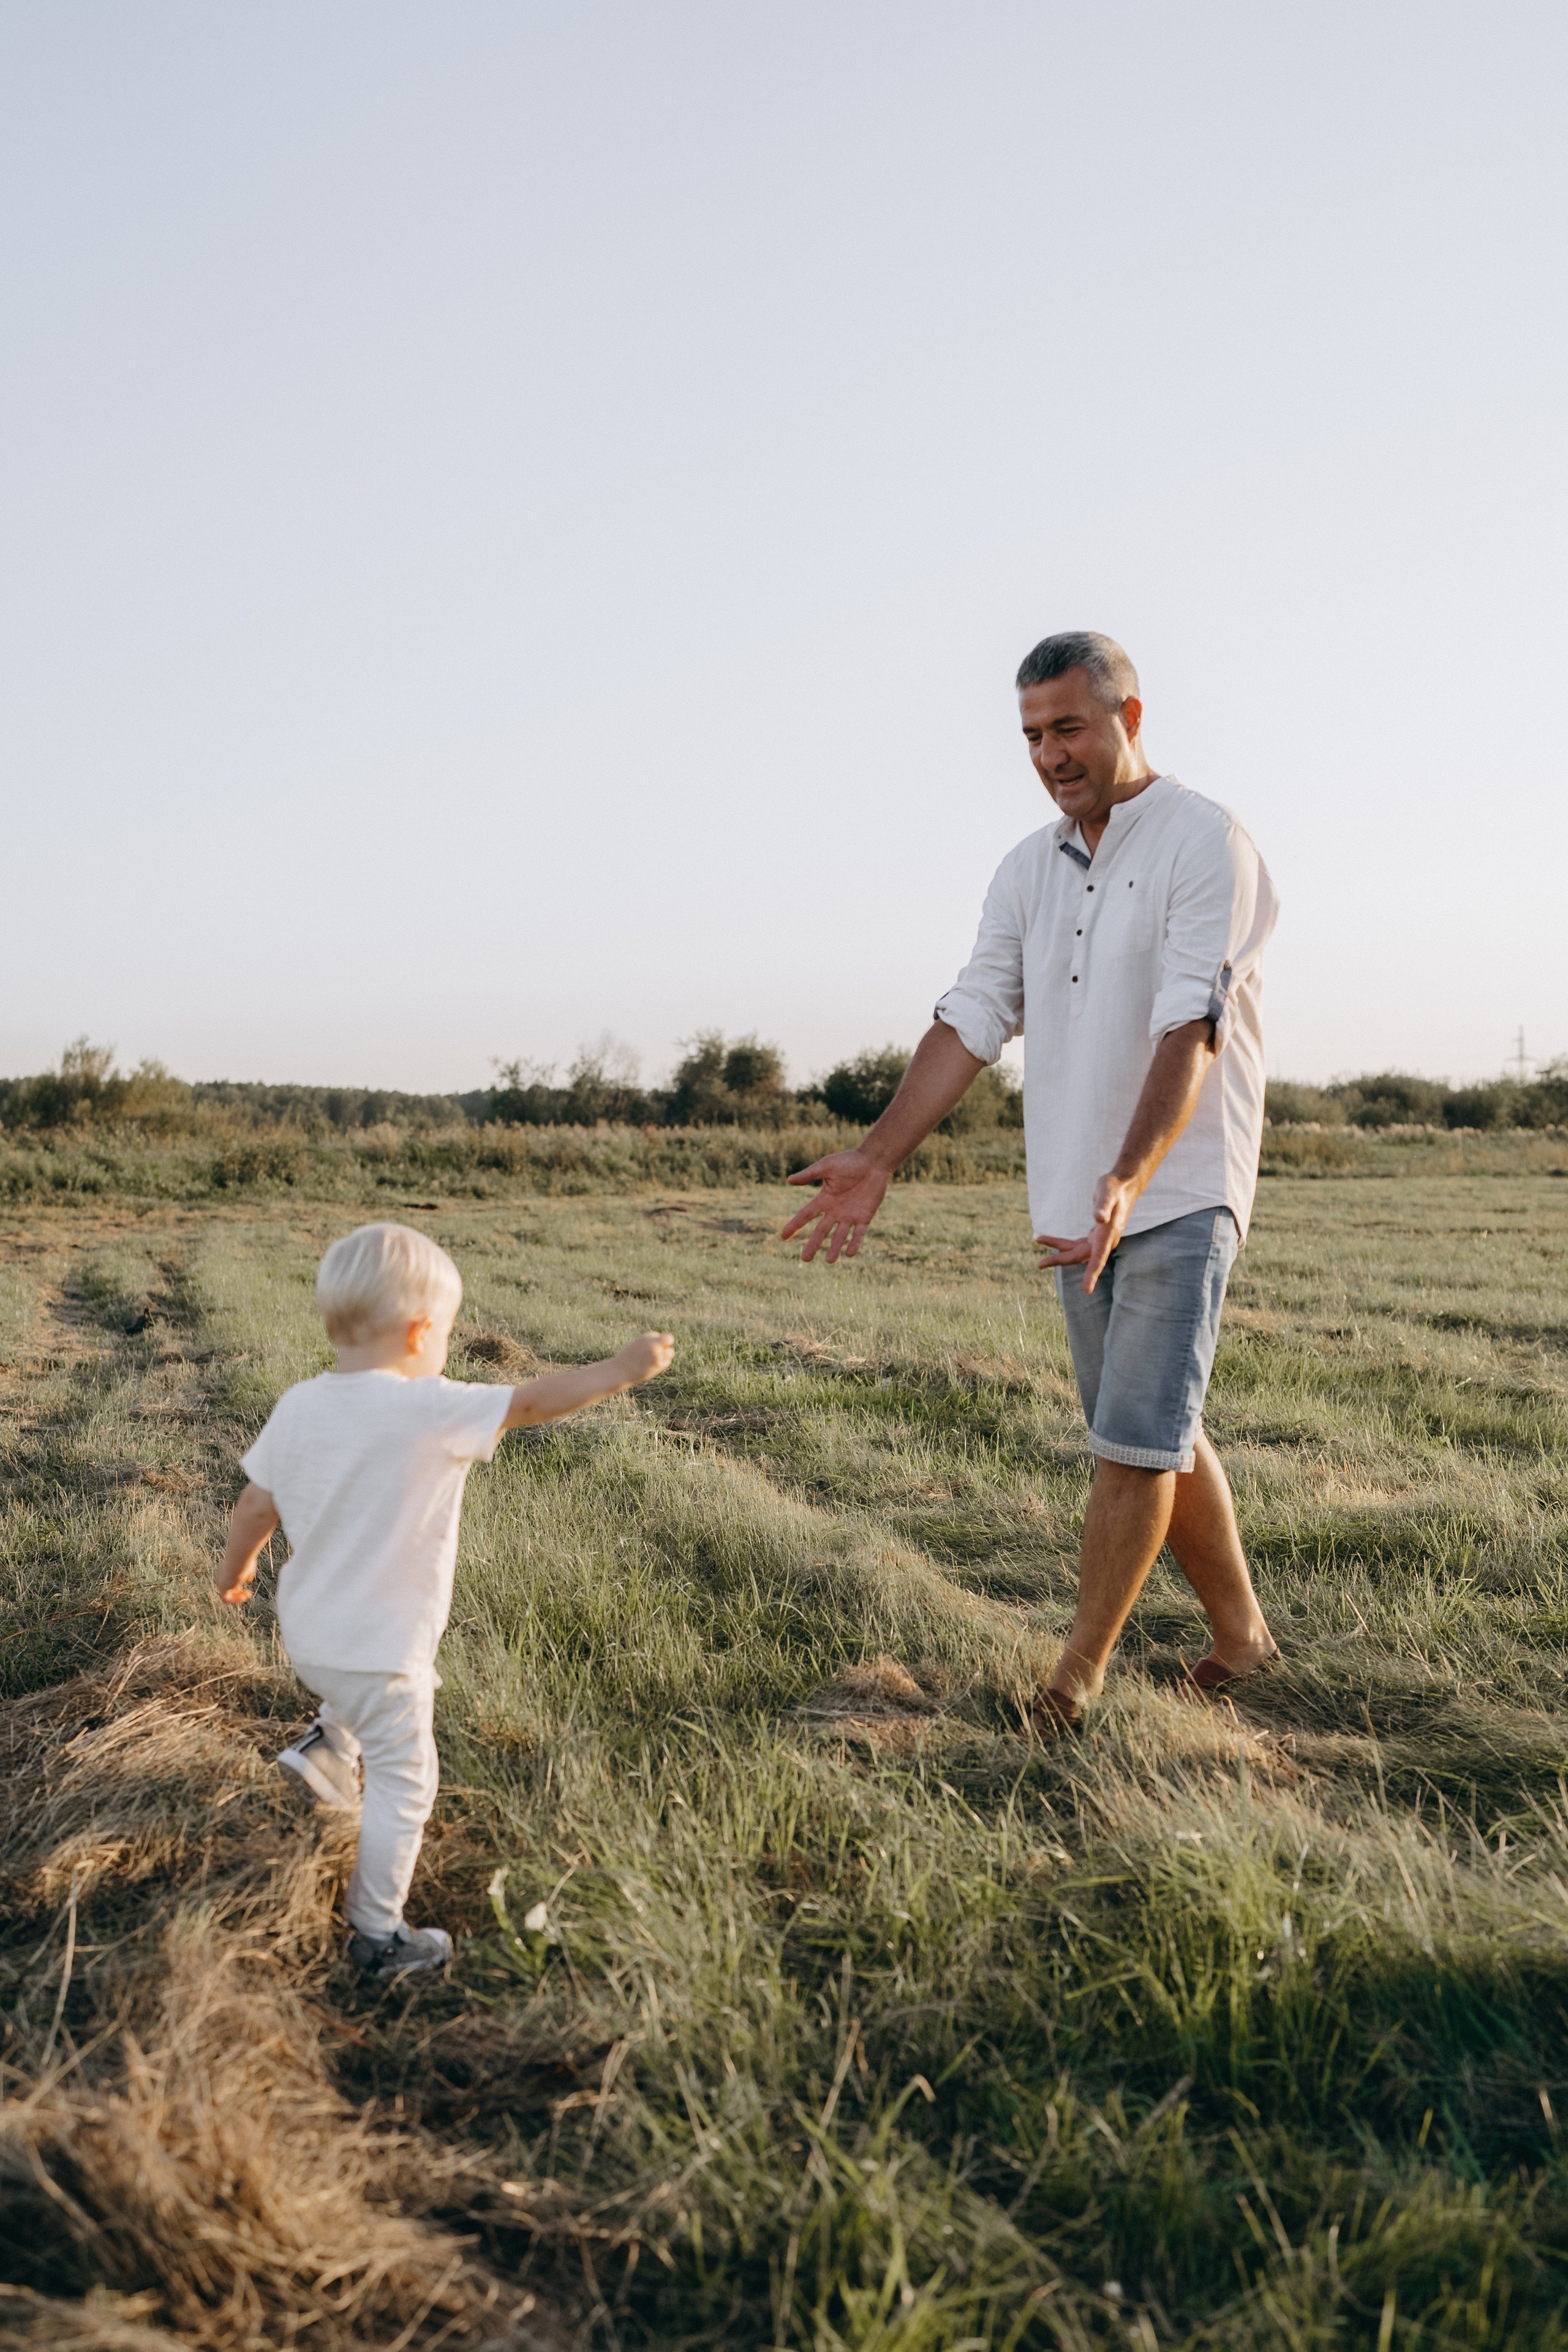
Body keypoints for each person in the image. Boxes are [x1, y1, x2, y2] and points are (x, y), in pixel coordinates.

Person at [782, 630, 1279, 1733]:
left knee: (1131, 1437)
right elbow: (971, 1016)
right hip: (1070, 1198)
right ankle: (1243, 1639)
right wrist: (876, 1156)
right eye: (1032, 735)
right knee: (1151, 1425)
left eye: (1069, 727)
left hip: (1178, 1187)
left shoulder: (1208, 841)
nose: (1050, 754)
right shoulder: (1025, 868)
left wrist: (1128, 1178)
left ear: (1129, 720)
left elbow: (1189, 1024)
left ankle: (1075, 1682)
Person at [216, 1221, 673, 1977]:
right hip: (381, 1650)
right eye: (449, 1334)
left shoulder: (299, 1405)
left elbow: (254, 1506)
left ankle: (326, 1748)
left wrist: (235, 1572)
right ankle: (377, 1935)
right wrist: (621, 1369)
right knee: (407, 1778)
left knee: (354, 1694)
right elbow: (530, 1403)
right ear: (424, 1330)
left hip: (307, 1634)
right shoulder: (429, 1405)